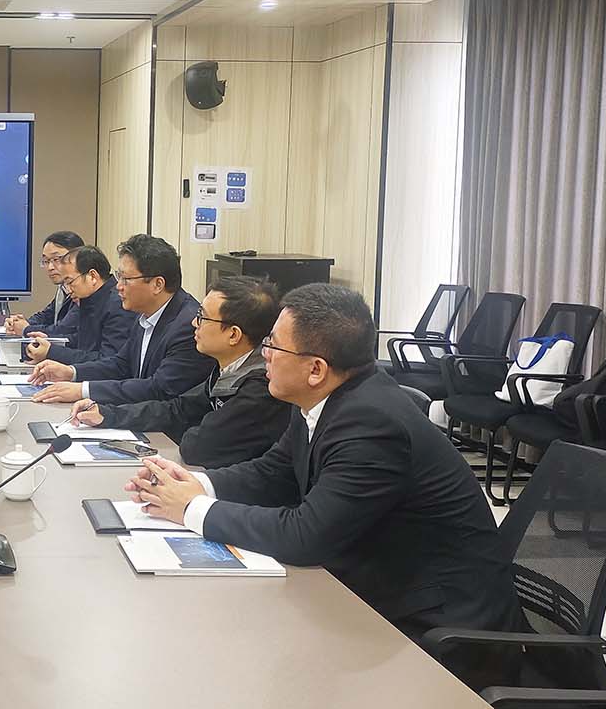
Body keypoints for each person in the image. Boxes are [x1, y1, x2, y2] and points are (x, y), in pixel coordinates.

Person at [124, 284, 521, 688]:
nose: (264, 354)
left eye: (273, 345)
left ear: (315, 369)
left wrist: (191, 509)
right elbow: (273, 471)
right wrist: (195, 483)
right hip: (376, 589)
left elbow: (304, 536)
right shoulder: (325, 398)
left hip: (438, 632)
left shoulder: (371, 424)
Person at [69, 275, 289, 468]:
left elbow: (198, 447)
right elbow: (178, 409)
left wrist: (195, 426)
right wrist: (108, 414)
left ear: (233, 335)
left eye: (202, 316)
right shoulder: (228, 368)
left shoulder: (260, 388)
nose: (194, 322)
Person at [30, 234, 213, 404]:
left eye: (126, 279)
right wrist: (71, 372)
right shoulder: (145, 313)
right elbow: (121, 364)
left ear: (157, 284)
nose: (118, 286)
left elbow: (158, 390)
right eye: (119, 277)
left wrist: (83, 390)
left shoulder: (187, 326)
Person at [24, 246, 133, 366]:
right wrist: (50, 340)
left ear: (92, 276)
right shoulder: (92, 299)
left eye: (70, 282)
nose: (68, 290)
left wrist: (51, 352)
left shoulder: (118, 305)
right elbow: (82, 340)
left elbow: (108, 361)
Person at [3, 230, 85, 337]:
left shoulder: (84, 289)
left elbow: (63, 330)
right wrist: (20, 323)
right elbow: (47, 315)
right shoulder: (63, 287)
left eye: (56, 259)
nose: (50, 267)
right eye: (46, 261)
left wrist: (26, 329)